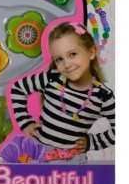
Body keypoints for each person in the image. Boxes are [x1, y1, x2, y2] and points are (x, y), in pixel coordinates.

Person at [10, 22, 115, 162]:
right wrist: (25, 122)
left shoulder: (103, 96)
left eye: (72, 54)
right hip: (39, 153)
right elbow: (18, 88)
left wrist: (92, 142)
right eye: (59, 59)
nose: (67, 64)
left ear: (91, 52)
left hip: (72, 161)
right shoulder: (52, 78)